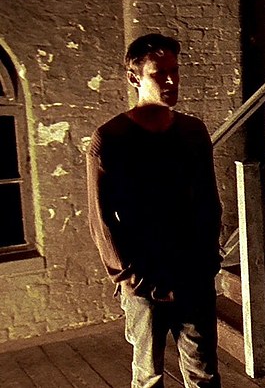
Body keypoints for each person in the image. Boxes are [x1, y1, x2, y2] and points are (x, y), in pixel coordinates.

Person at [87, 33, 223, 388]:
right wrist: (131, 278)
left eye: (174, 71)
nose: (171, 80)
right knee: (148, 377)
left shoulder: (193, 131)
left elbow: (209, 201)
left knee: (204, 374)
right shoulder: (110, 138)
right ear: (134, 77)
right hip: (144, 279)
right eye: (159, 73)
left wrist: (208, 260)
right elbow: (100, 219)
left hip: (191, 274)